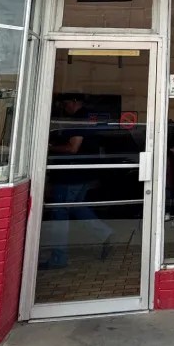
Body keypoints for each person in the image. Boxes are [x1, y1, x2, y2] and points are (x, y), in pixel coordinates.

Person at [39, 93, 114, 269]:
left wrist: (49, 148)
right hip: (81, 173)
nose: (64, 107)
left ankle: (59, 257)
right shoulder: (87, 118)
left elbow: (73, 148)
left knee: (60, 213)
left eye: (65, 104)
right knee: (76, 206)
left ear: (74, 102)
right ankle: (104, 233)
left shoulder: (79, 120)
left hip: (70, 175)